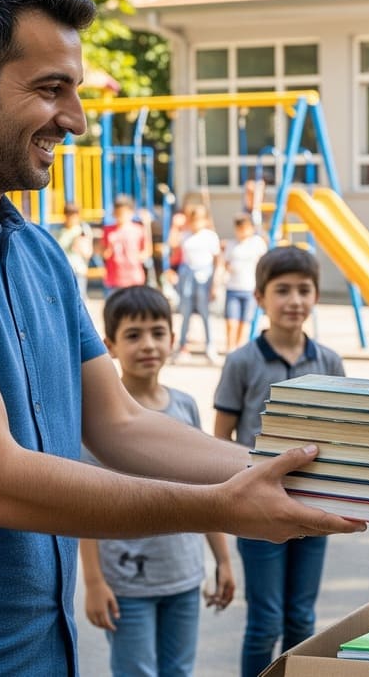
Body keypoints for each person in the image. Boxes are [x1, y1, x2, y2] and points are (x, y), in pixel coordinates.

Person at [0, 0, 363, 675]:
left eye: (76, 91)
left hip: (40, 654)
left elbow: (118, 423)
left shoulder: (34, 250)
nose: (75, 119)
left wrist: (313, 475)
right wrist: (223, 506)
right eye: (49, 89)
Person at [80, 286, 236, 677]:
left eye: (158, 332)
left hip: (183, 576)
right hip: (127, 584)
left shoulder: (184, 405)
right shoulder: (100, 416)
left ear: (172, 337)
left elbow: (207, 490)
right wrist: (94, 582)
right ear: (109, 346)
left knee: (179, 670)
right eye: (133, 335)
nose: (148, 344)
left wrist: (223, 560)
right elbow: (84, 505)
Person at [212, 246, 347, 677]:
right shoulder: (242, 362)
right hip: (257, 508)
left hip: (315, 508)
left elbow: (345, 437)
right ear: (259, 297)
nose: (294, 300)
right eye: (282, 290)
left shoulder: (329, 362)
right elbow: (219, 440)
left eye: (304, 290)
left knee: (302, 621)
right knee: (265, 622)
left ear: (316, 296)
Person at [170, 203, 221, 364]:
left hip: (204, 277)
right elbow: (172, 245)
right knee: (185, 313)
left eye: (199, 219)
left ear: (205, 220)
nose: (196, 223)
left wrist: (215, 284)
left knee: (205, 313)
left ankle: (210, 346)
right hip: (187, 276)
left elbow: (217, 261)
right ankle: (182, 346)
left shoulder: (210, 236)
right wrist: (175, 225)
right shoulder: (185, 235)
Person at [223, 212, 268, 351]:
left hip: (250, 289)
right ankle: (230, 349)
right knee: (231, 322)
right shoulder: (231, 244)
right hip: (233, 288)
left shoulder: (257, 243)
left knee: (245, 323)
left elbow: (264, 263)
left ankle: (240, 348)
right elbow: (226, 263)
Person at [102, 193, 152, 292]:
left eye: (123, 213)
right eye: (118, 213)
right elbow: (105, 254)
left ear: (131, 212)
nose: (121, 216)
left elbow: (147, 252)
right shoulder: (108, 230)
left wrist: (136, 257)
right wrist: (111, 246)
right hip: (114, 279)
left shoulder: (138, 229)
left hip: (134, 278)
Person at [57, 200, 94, 296]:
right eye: (69, 215)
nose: (71, 219)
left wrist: (79, 245)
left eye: (74, 216)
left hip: (78, 271)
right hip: (63, 271)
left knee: (79, 297)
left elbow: (88, 253)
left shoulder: (83, 230)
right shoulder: (59, 232)